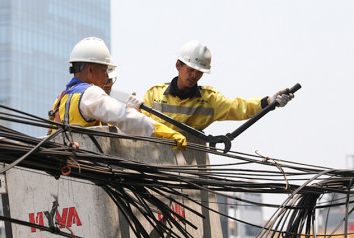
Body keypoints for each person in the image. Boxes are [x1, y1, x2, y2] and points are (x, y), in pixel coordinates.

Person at [47, 37, 186, 150]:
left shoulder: (61, 98)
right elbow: (123, 116)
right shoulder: (90, 93)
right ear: (90, 69)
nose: (106, 77)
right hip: (85, 168)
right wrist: (163, 132)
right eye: (104, 71)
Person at [126, 40, 294, 132]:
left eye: (199, 72)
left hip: (191, 168)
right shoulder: (154, 95)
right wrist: (131, 112)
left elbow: (240, 107)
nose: (194, 76)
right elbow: (136, 127)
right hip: (154, 165)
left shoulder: (209, 100)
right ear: (178, 65)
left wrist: (270, 101)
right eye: (190, 70)